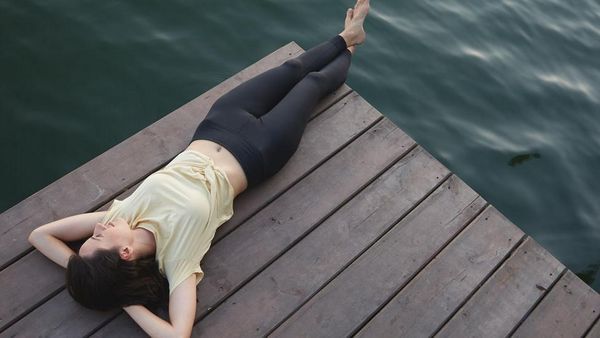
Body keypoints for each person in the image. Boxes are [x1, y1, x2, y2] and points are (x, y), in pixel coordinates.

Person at [28, 0, 370, 336]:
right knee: (310, 86)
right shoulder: (176, 261)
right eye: (97, 240)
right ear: (126, 253)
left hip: (218, 123)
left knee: (291, 70)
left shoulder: (123, 215)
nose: (96, 229)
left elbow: (40, 235)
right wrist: (125, 300)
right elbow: (177, 335)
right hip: (261, 149)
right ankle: (350, 52)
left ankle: (346, 36)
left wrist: (87, 270)